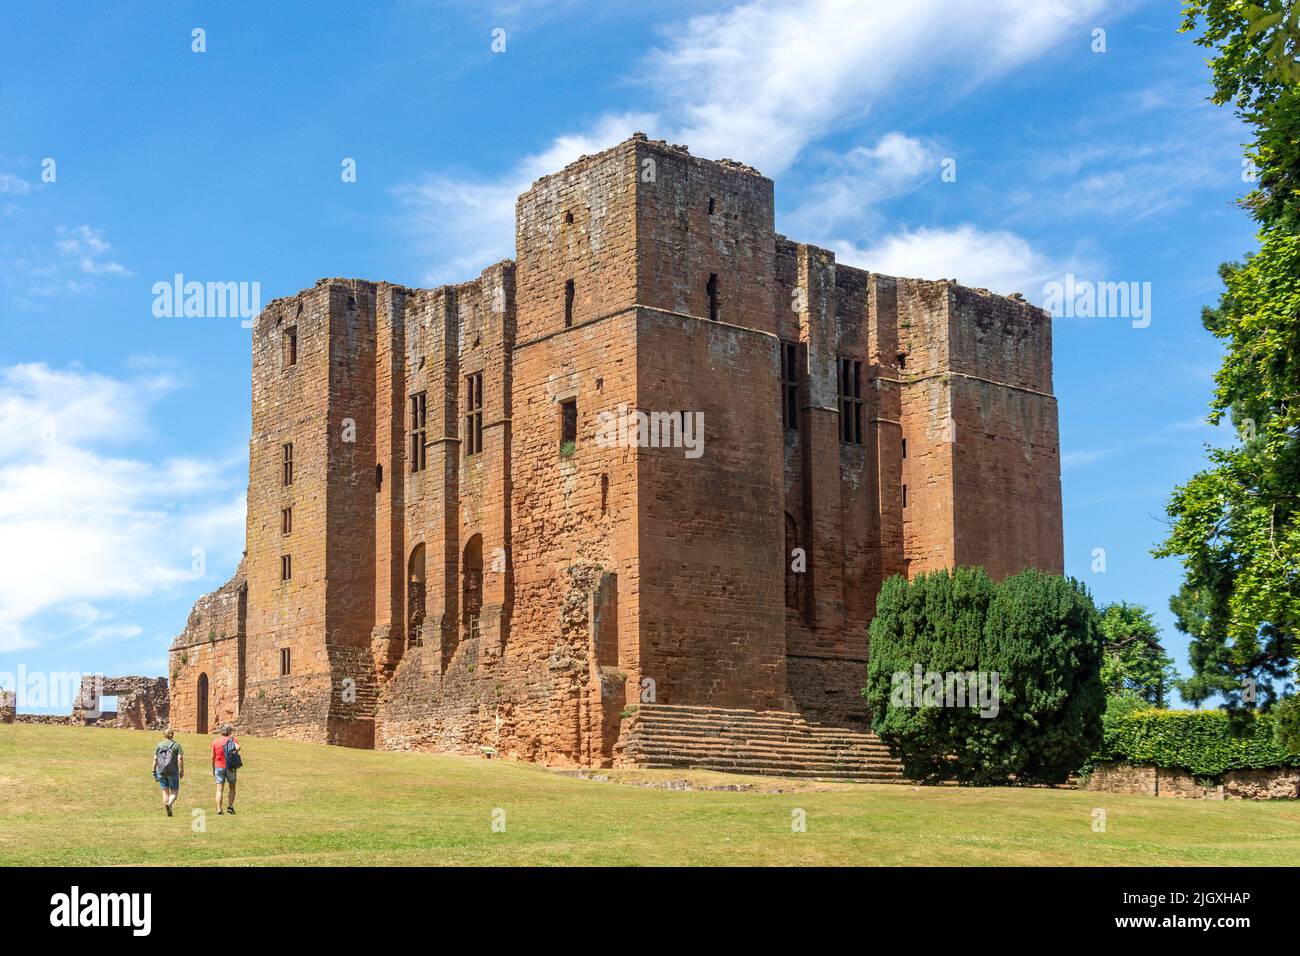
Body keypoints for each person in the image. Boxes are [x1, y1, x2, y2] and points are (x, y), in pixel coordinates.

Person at [152, 728, 184, 817]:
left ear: (164, 735)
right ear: (172, 735)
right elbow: (180, 758)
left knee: (165, 792)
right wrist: (181, 770)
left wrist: (153, 771)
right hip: (172, 771)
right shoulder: (177, 745)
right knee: (174, 791)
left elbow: (155, 759)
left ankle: (168, 813)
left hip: (161, 771)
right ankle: (169, 803)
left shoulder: (159, 745)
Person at [211, 723, 241, 815]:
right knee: (232, 787)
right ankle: (230, 807)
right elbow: (238, 747)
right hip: (230, 767)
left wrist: (213, 768)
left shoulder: (215, 742)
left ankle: (219, 810)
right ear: (229, 731)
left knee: (219, 789)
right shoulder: (233, 739)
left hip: (218, 766)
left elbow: (213, 757)